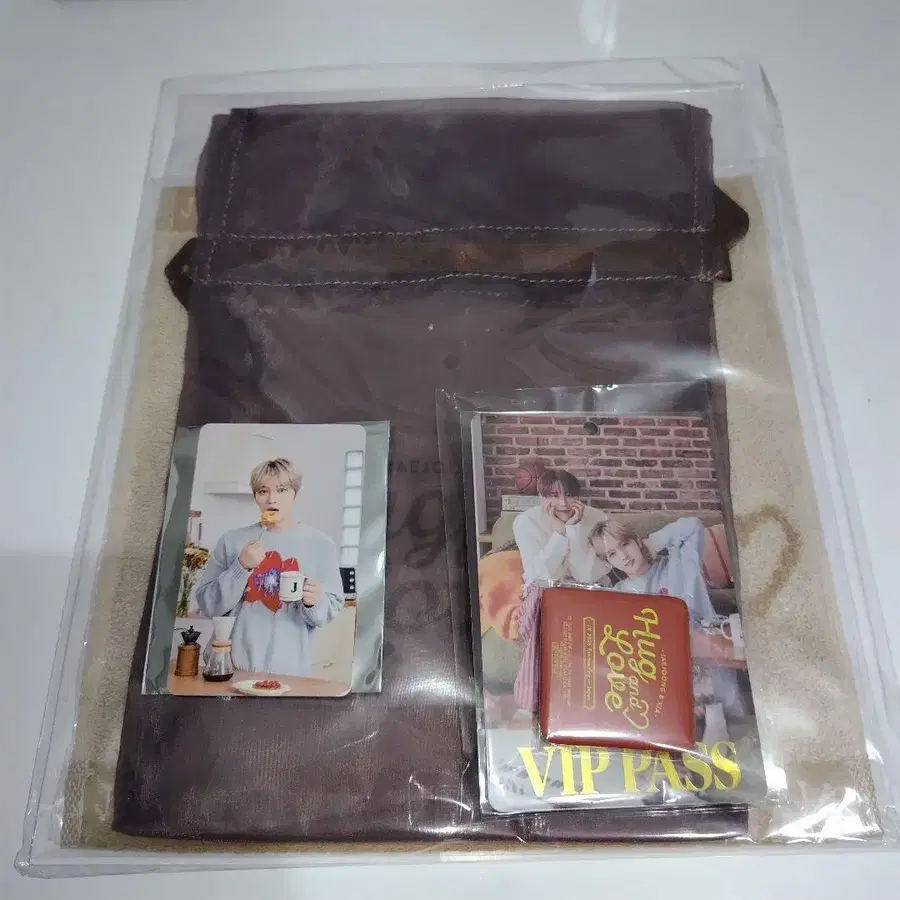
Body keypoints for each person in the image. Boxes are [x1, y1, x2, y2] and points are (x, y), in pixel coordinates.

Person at [588, 516, 742, 744]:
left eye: (625, 544)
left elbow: (693, 526)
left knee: (681, 623)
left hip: (707, 671)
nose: (623, 556)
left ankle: (710, 712)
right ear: (608, 562)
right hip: (663, 685)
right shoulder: (618, 595)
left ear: (637, 541)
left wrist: (653, 542)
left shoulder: (679, 565)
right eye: (612, 554)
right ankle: (684, 710)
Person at [193, 457, 344, 677]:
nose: (272, 499)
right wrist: (240, 567)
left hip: (289, 673)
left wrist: (314, 602)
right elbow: (208, 605)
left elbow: (331, 608)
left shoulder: (321, 545)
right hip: (229, 667)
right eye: (263, 491)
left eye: (281, 490)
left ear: (294, 493)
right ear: (256, 496)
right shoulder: (231, 541)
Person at [512, 468, 610, 586]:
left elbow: (588, 576)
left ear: (577, 497)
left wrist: (573, 529)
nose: (563, 503)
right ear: (542, 498)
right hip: (548, 591)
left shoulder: (598, 518)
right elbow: (540, 577)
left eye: (569, 495)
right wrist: (559, 533)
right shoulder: (526, 522)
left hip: (593, 589)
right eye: (555, 495)